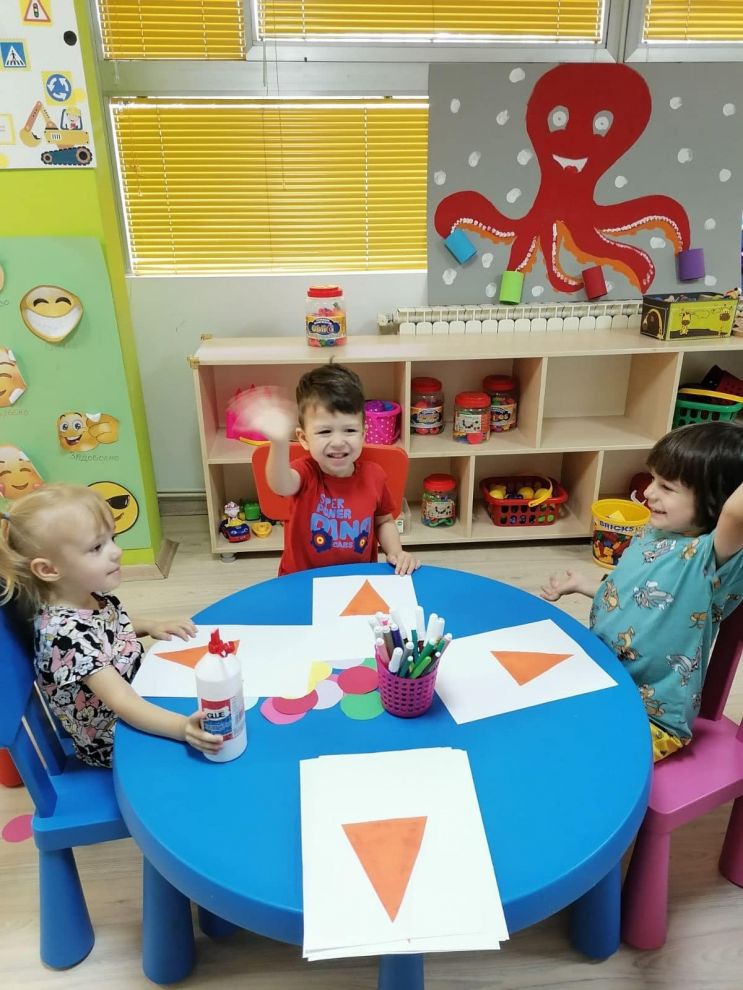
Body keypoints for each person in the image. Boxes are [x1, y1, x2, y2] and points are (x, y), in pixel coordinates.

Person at [541, 421, 743, 762]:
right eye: (653, 479)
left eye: (667, 487)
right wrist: (585, 585)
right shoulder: (655, 533)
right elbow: (641, 594)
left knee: (573, 759)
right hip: (605, 677)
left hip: (651, 718)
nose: (648, 492)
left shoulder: (709, 559)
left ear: (716, 502)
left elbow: (736, 515)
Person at [0, 484, 221, 768]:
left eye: (112, 539)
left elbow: (106, 630)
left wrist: (151, 625)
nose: (117, 551)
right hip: (117, 740)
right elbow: (123, 702)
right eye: (97, 547)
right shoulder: (65, 636)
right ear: (49, 569)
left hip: (139, 694)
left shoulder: (82, 596)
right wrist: (182, 728)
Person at [239, 363, 420, 576]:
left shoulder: (374, 476)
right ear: (304, 438)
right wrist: (278, 442)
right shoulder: (305, 473)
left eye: (349, 430)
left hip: (357, 579)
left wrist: (396, 552)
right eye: (325, 431)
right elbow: (281, 484)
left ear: (363, 434)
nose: (338, 442)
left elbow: (384, 521)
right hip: (302, 580)